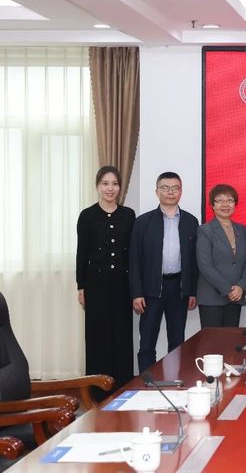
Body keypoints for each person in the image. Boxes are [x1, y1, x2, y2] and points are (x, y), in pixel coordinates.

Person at [129, 172, 198, 372]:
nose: (170, 192)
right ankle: (147, 383)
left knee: (177, 342)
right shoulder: (143, 222)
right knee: (147, 342)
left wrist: (192, 291)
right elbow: (134, 260)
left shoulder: (191, 221)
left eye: (175, 188)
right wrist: (136, 293)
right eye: (165, 188)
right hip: (151, 290)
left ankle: (175, 382)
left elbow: (193, 261)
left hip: (179, 288)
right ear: (157, 192)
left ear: (181, 192)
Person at [76, 166, 135, 396]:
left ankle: (122, 389)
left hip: (122, 285)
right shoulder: (87, 215)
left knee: (121, 336)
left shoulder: (128, 215)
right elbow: (82, 253)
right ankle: (98, 392)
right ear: (98, 186)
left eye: (115, 184)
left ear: (120, 187)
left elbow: (132, 253)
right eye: (105, 183)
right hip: (95, 285)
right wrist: (81, 286)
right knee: (97, 337)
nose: (110, 188)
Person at [196, 184, 246, 328]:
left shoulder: (243, 230)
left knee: (232, 340)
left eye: (229, 200)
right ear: (212, 205)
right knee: (213, 340)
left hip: (235, 297)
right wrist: (228, 290)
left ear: (235, 204)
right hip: (211, 297)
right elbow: (205, 265)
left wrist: (241, 287)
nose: (225, 204)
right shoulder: (205, 230)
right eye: (220, 200)